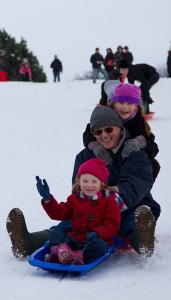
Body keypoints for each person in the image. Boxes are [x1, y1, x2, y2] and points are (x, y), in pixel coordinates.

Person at [6, 107, 161, 260]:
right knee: (71, 223)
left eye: (108, 129)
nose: (104, 135)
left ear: (120, 129)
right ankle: (27, 242)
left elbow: (134, 185)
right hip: (93, 207)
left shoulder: (134, 152)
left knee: (129, 223)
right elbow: (78, 188)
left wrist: (108, 198)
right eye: (98, 132)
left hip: (130, 205)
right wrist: (54, 201)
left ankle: (142, 241)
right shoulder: (86, 155)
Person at [35, 158, 121, 265]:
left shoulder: (109, 202)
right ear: (79, 181)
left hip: (93, 240)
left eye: (94, 181)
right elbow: (60, 213)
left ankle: (78, 257)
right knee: (57, 232)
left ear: (101, 183)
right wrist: (48, 199)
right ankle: (60, 252)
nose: (89, 185)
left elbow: (112, 226)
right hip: (74, 239)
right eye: (85, 181)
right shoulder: (74, 198)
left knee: (100, 246)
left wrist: (98, 233)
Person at [83, 83, 160, 182]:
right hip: (106, 153)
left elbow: (153, 148)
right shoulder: (105, 114)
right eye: (121, 102)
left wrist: (141, 142)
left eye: (129, 103)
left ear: (136, 106)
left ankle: (139, 191)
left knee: (154, 165)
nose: (125, 107)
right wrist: (94, 145)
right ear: (114, 103)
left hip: (126, 156)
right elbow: (88, 133)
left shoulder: (138, 122)